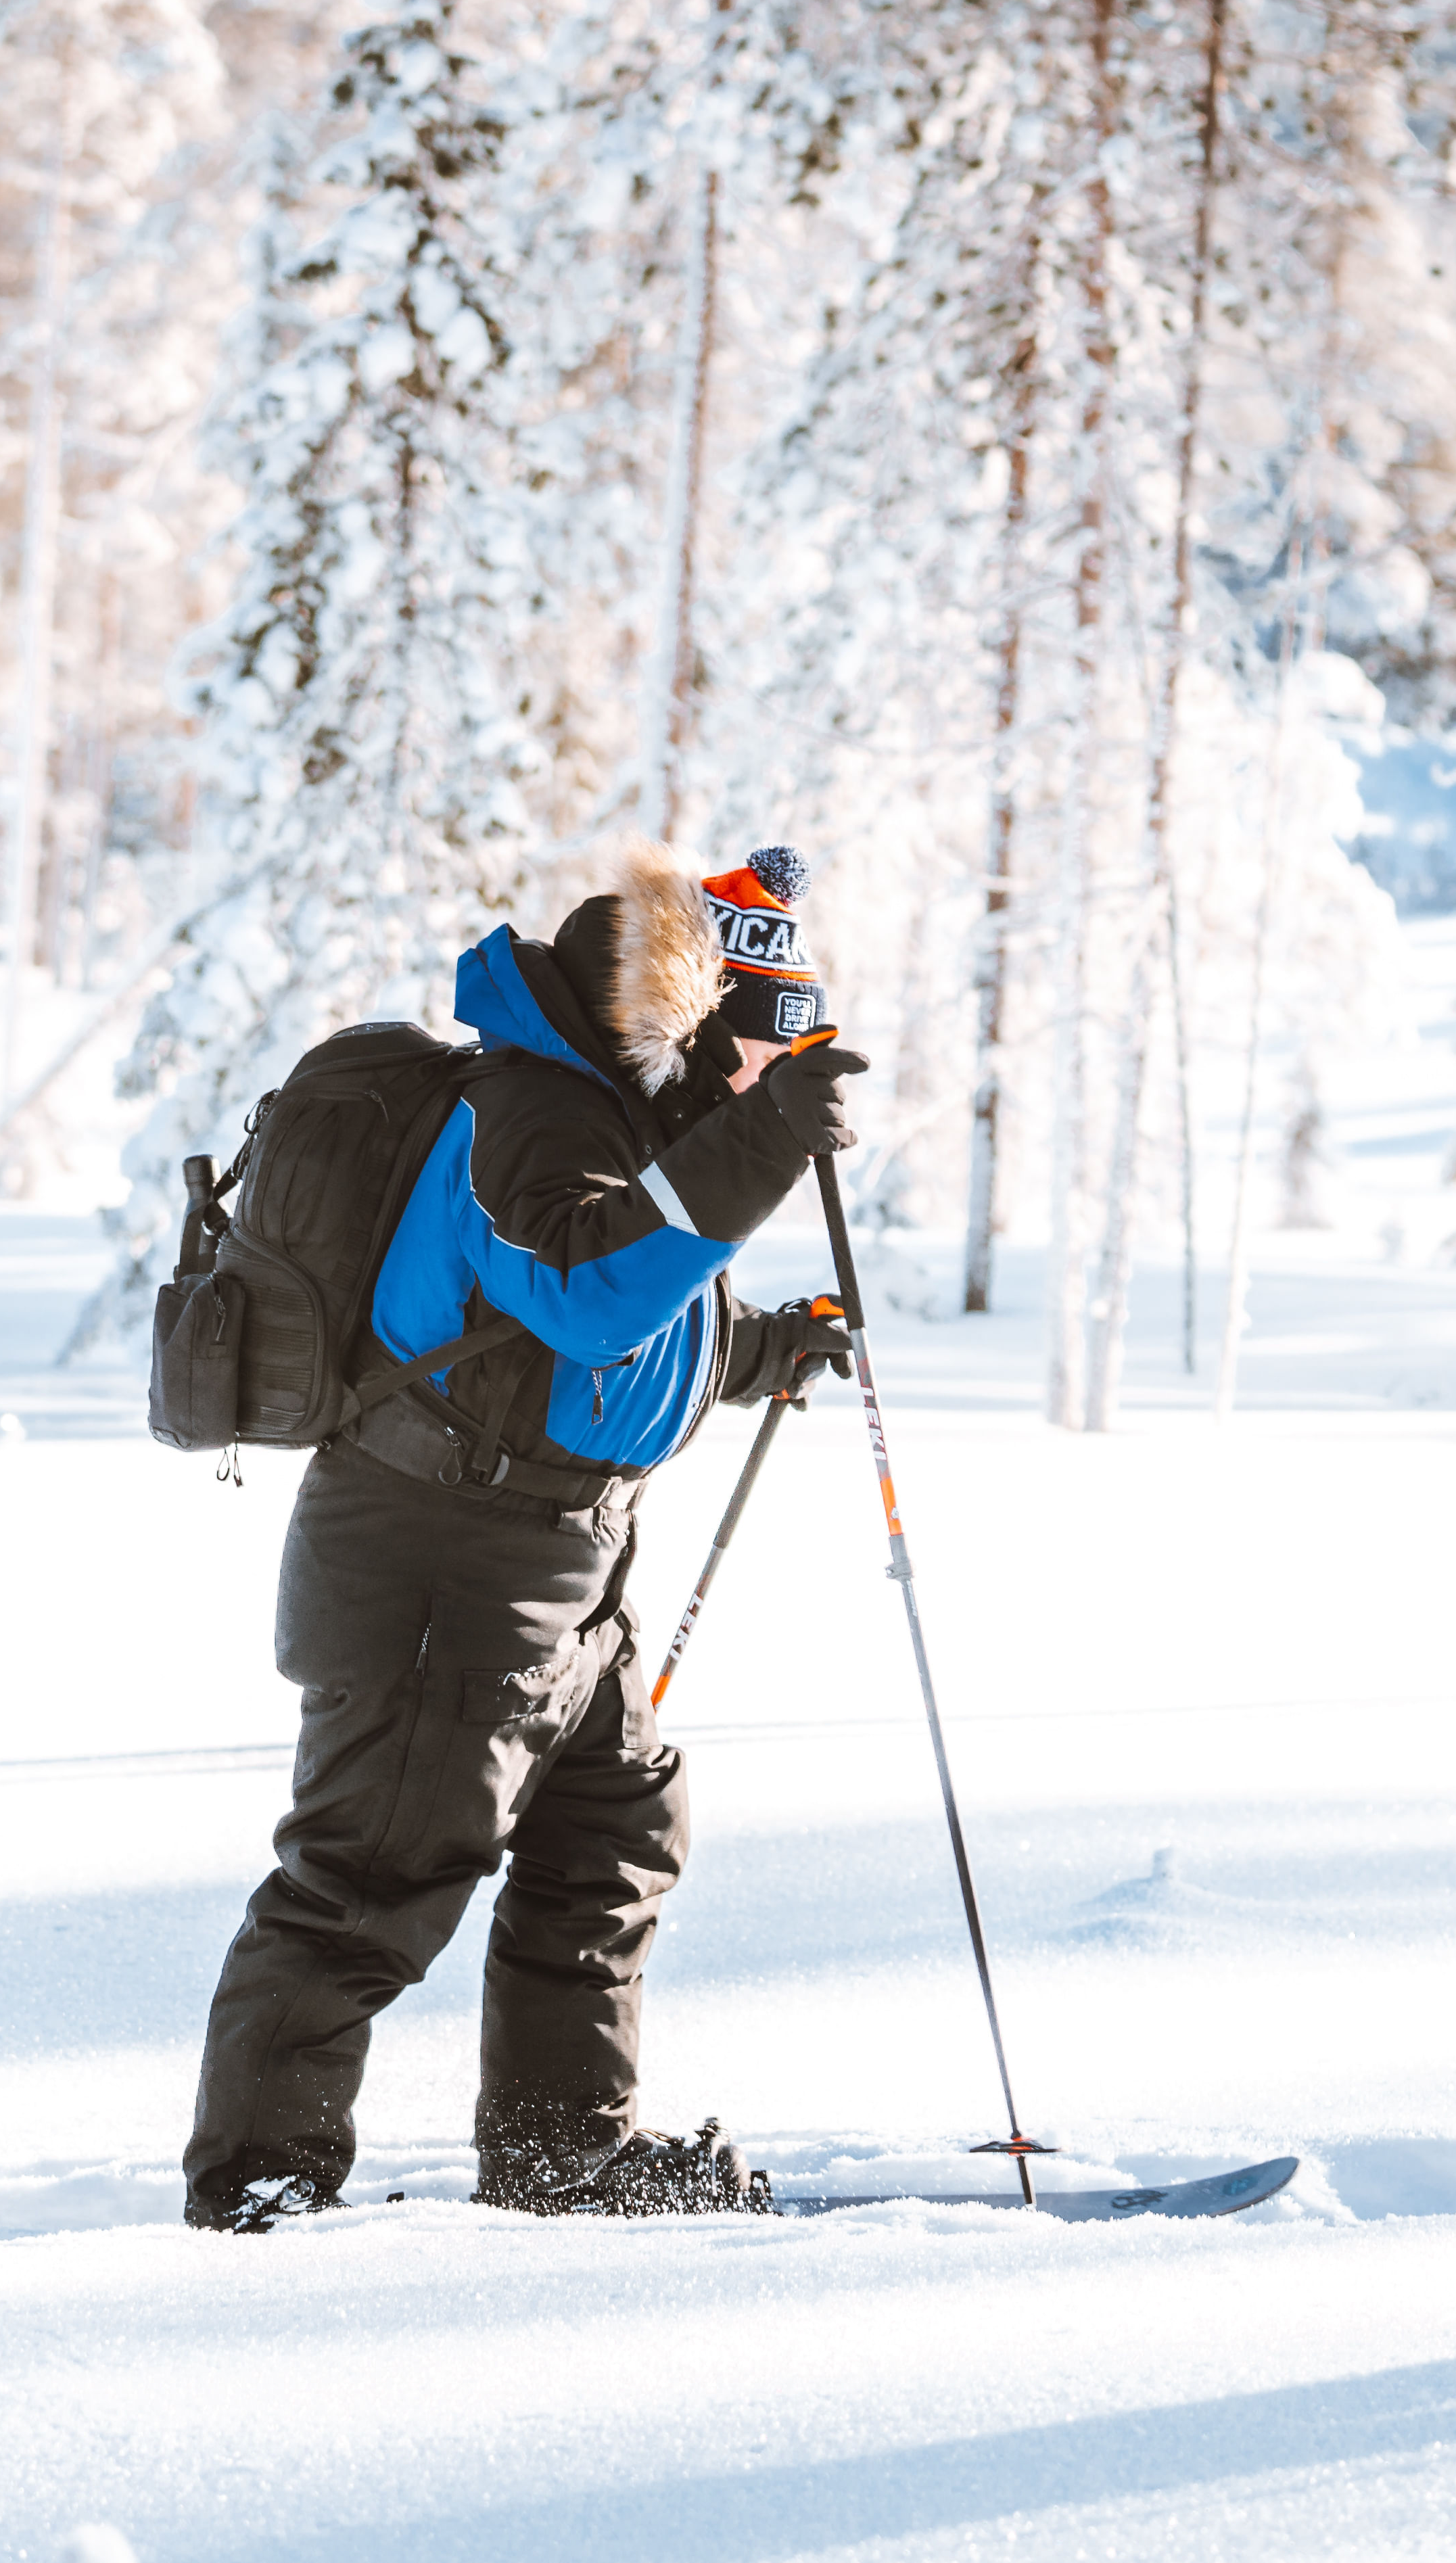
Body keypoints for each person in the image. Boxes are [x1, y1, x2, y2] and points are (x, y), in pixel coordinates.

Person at [181, 845, 866, 2230]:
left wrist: (757, 1350)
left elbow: (616, 1314)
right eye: (762, 1032)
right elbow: (579, 1289)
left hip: (559, 1559)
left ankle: (564, 2149)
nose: (768, 1062)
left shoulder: (608, 1112)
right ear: (682, 1021)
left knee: (610, 1825)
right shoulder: (528, 1110)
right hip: (438, 1551)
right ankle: (256, 2186)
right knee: (370, 1877)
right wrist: (765, 1140)